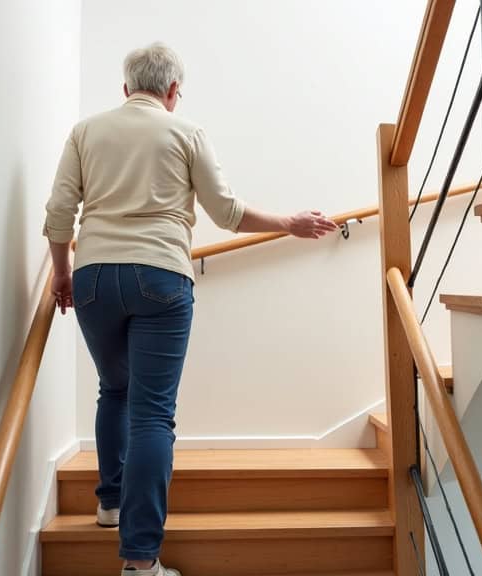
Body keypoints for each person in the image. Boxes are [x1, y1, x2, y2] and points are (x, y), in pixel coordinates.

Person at [42, 42, 338, 576]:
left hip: (93, 278)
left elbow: (61, 210)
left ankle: (110, 504)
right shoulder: (186, 132)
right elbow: (226, 212)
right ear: (173, 90)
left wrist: (63, 273)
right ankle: (139, 561)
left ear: (126, 88)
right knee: (152, 412)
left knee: (114, 389)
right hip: (161, 274)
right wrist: (289, 224)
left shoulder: (85, 131)